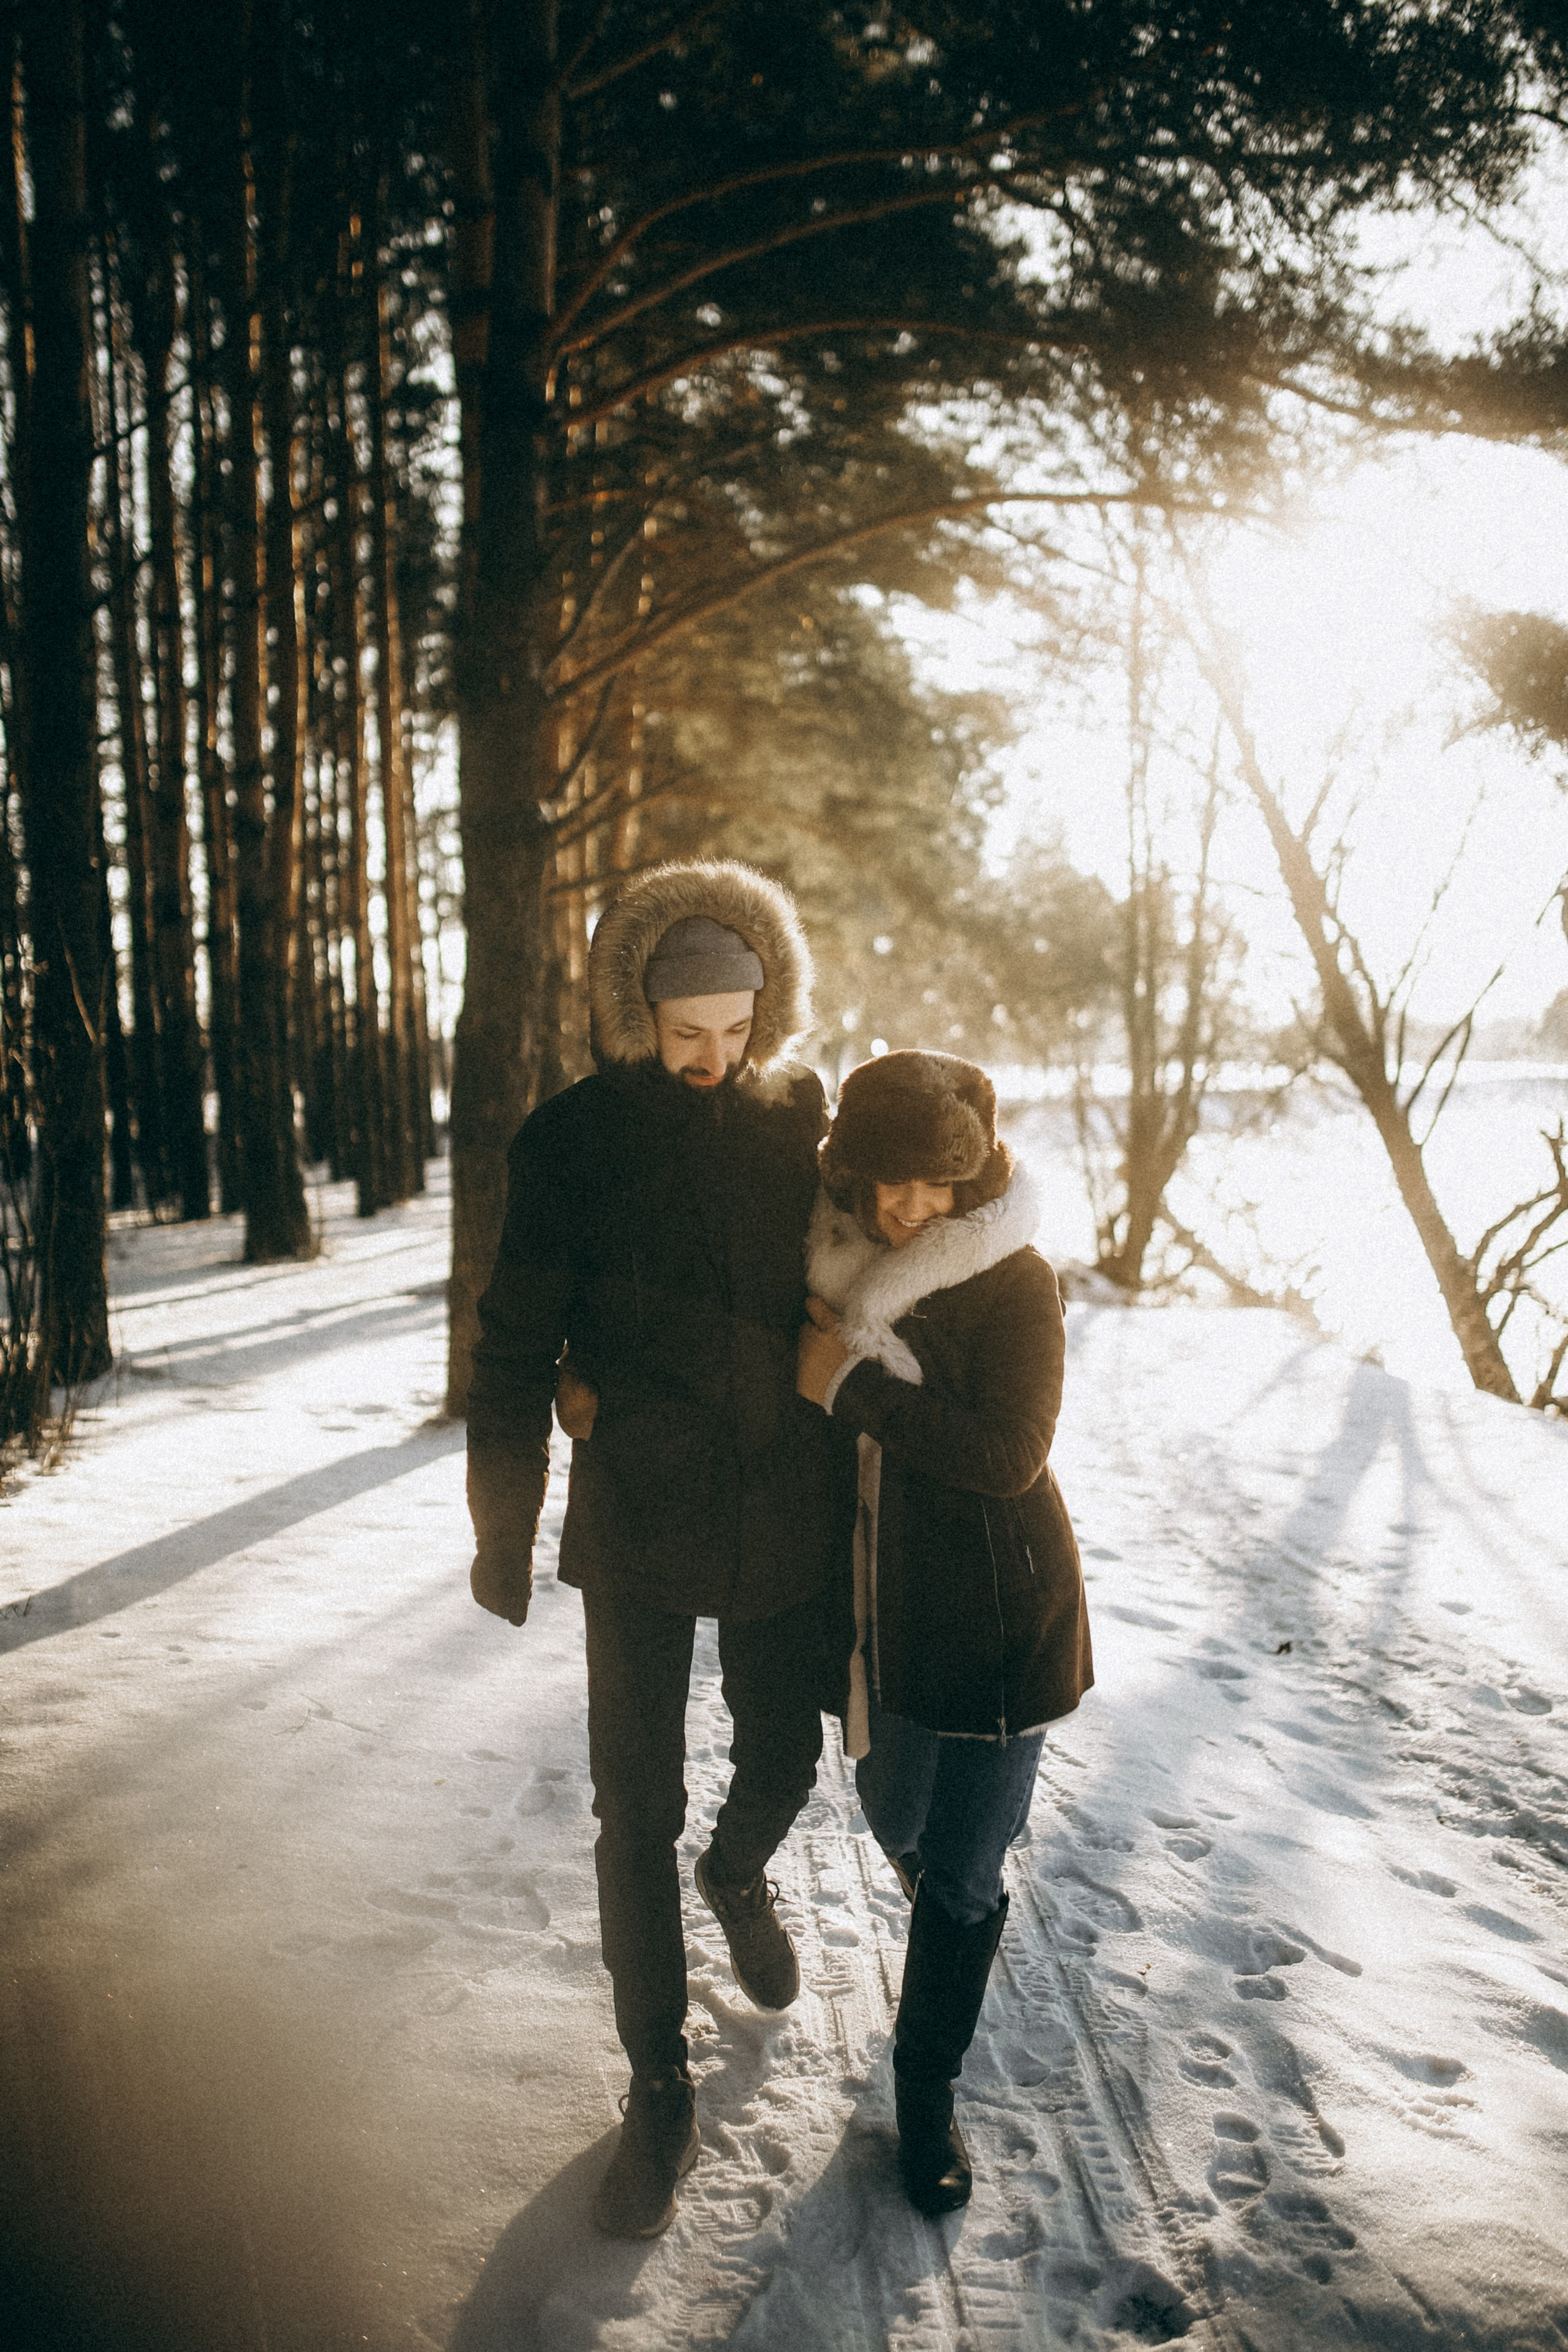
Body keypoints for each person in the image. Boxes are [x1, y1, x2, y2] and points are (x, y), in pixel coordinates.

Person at [465, 861, 848, 2241]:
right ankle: (656, 2087)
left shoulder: (800, 1114)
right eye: (686, 1033)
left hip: (780, 1495)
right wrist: (505, 1526)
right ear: (639, 1009)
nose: (712, 1059)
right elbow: (513, 1329)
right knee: (635, 1805)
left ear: (767, 1007)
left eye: (735, 1030)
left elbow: (887, 1244)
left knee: (785, 1754)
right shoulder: (569, 1138)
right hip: (636, 1501)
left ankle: (739, 1871)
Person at [795, 1050, 1093, 2217]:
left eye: (930, 1185)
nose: (906, 1207)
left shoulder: (1014, 1279)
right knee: (894, 1813)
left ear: (966, 1181)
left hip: (1011, 1619)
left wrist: (849, 1387)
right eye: (883, 1183)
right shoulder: (832, 1271)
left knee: (965, 1878)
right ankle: (948, 1940)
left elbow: (1010, 1455)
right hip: (896, 1616)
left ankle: (927, 2096)